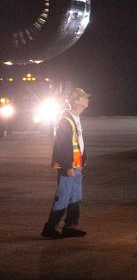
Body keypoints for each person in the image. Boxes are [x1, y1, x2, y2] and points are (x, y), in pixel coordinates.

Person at [41, 87, 90, 239]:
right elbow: (62, 146)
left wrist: (83, 159)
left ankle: (70, 227)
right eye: (83, 97)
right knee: (63, 196)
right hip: (68, 167)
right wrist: (68, 166)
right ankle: (49, 228)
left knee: (75, 196)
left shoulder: (76, 117)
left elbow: (77, 142)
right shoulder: (65, 120)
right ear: (75, 101)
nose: (87, 99)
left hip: (76, 165)